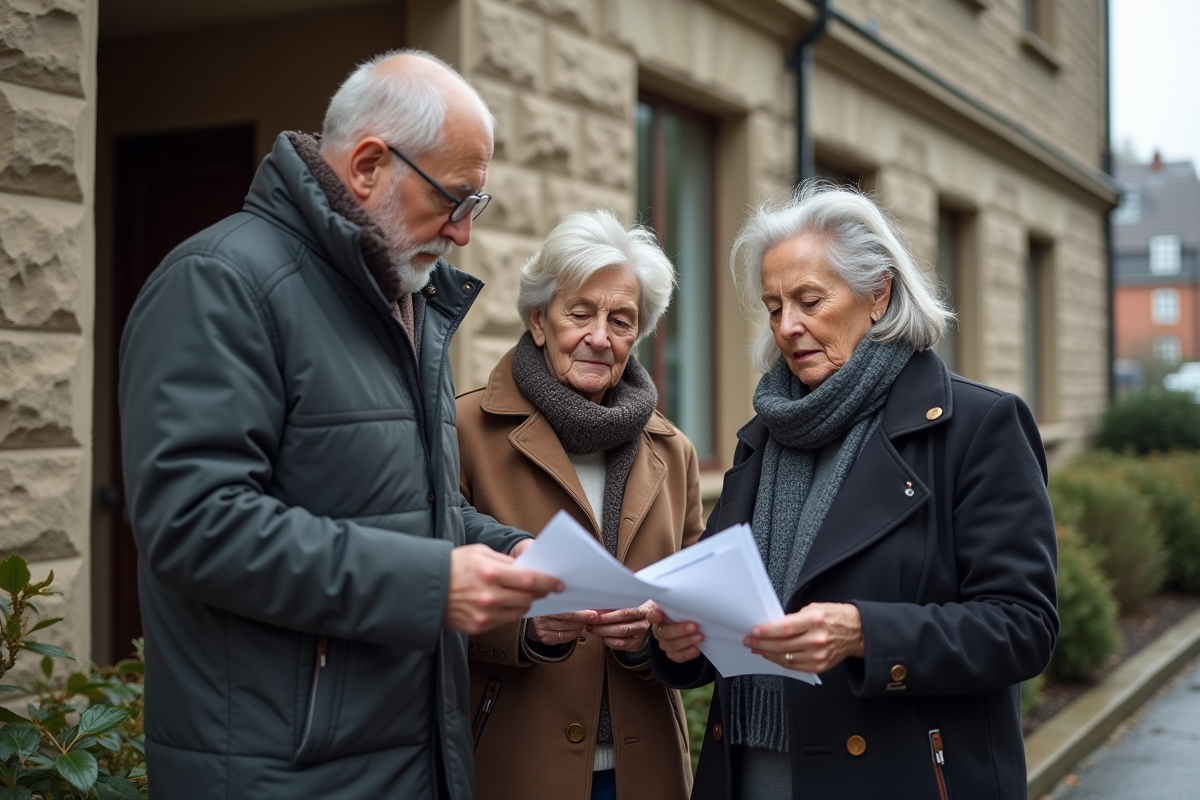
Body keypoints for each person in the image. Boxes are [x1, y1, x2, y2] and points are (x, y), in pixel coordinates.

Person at [118, 51, 562, 800]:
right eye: (456, 201)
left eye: (474, 207)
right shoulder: (221, 283)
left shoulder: (404, 299)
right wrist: (430, 586)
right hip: (281, 776)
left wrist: (514, 549)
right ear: (366, 165)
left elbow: (407, 508)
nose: (462, 236)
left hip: (403, 762)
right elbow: (194, 523)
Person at [648, 183, 1059, 800]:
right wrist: (682, 639)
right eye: (773, 305)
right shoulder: (764, 433)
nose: (789, 326)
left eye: (810, 300)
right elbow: (727, 604)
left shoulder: (977, 426)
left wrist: (865, 633)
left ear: (878, 294)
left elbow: (1023, 627)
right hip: (747, 778)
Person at [456, 209, 705, 800]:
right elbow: (415, 590)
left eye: (621, 320)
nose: (600, 336)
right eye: (580, 313)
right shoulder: (462, 430)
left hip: (646, 774)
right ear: (539, 321)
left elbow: (702, 620)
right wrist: (526, 628)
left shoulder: (675, 452)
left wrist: (659, 636)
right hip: (511, 764)